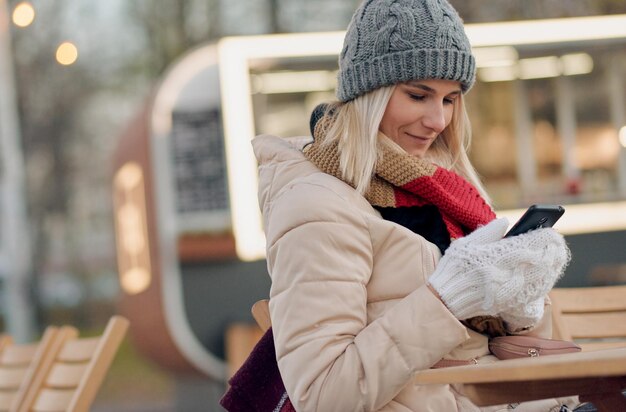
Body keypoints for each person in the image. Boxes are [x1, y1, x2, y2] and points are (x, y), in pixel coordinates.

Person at [223, 0, 583, 411]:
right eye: (418, 95)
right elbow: (323, 395)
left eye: (450, 100)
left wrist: (523, 303)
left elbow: (509, 356)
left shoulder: (448, 191)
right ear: (368, 94)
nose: (438, 120)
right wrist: (445, 298)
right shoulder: (316, 205)